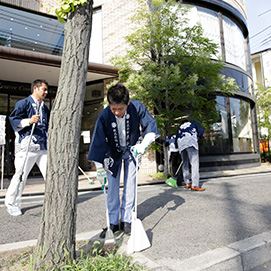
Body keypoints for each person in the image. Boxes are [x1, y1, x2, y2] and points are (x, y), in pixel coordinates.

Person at [88, 83, 160, 237]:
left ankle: (127, 220)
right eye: (113, 108)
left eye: (120, 108)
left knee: (130, 185)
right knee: (112, 188)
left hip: (132, 151)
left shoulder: (137, 107)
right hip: (112, 154)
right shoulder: (105, 114)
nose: (116, 112)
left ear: (127, 103)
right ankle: (113, 222)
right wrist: (99, 167)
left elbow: (150, 125)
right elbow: (98, 141)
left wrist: (143, 144)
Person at [5, 79, 50, 216]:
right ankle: (12, 203)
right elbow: (13, 120)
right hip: (26, 146)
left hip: (42, 147)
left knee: (50, 175)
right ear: (35, 89)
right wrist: (28, 121)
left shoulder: (45, 107)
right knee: (20, 176)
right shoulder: (23, 103)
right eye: (44, 89)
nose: (46, 92)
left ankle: (53, 202)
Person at [176, 119, 205, 191]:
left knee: (185, 163)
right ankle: (195, 185)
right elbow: (201, 130)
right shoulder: (193, 123)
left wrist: (178, 148)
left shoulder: (179, 127)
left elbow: (176, 139)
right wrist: (200, 136)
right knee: (194, 163)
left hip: (181, 145)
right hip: (191, 143)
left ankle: (187, 183)